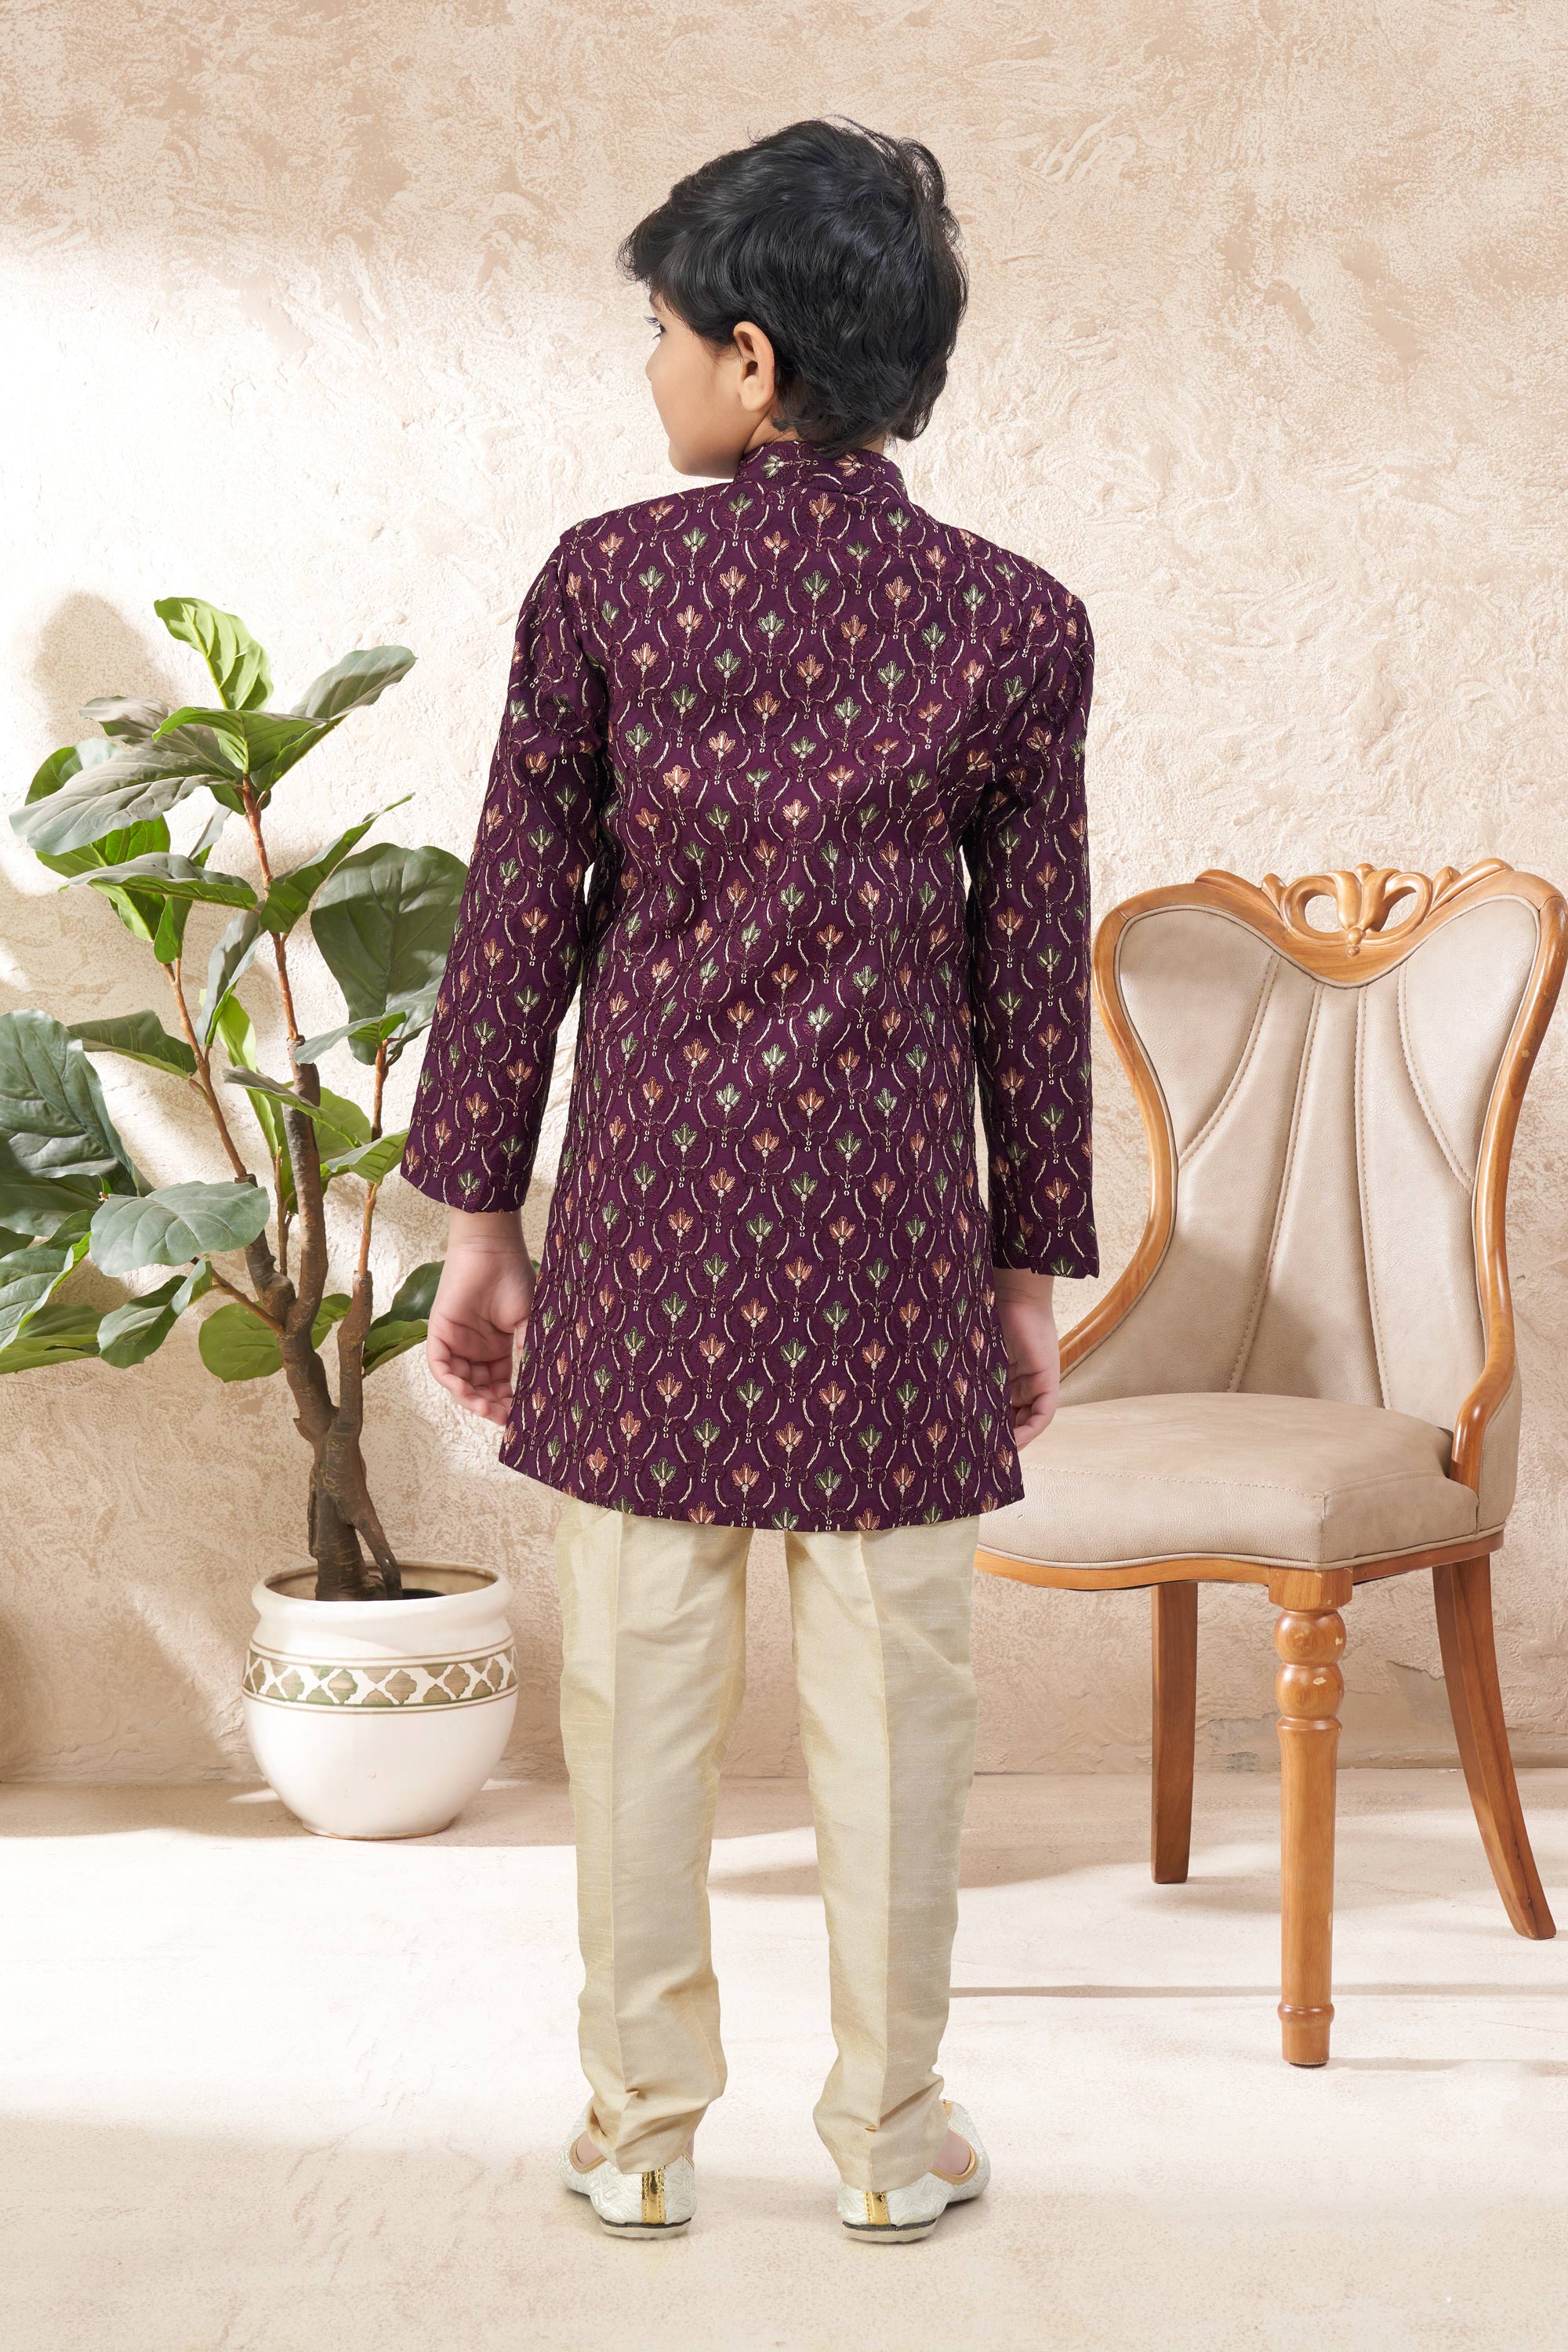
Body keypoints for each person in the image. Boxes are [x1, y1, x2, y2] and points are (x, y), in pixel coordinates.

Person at [401, 115, 1097, 2244]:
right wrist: (1026, 1272)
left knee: (636, 1703)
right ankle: (893, 2140)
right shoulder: (1015, 622)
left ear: (754, 360)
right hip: (890, 1248)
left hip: (650, 1238)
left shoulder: (607, 584)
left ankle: (637, 2139)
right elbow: (1027, 976)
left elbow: (518, 920)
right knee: (900, 1710)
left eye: (662, 332)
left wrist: (480, 1224)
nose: (650, 372)